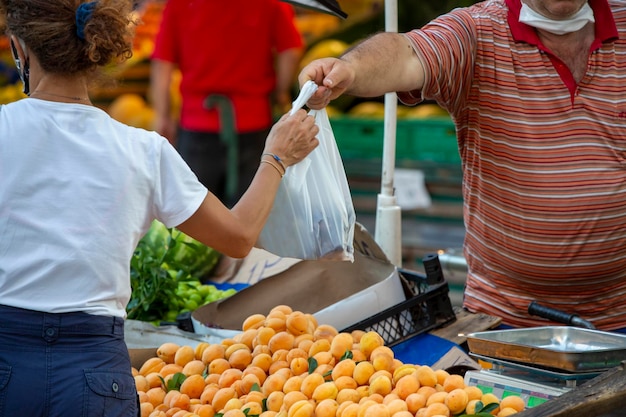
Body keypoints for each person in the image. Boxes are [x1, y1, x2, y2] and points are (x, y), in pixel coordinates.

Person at [0, 0, 318, 415]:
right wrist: (275, 157)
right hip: (96, 374)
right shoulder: (142, 150)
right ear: (94, 49)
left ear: (19, 49)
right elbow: (239, 238)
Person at [299, 0, 626, 331]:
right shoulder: (476, 31)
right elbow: (407, 53)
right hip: (504, 318)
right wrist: (350, 68)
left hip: (620, 313)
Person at [150, 0, 304, 205]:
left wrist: (163, 115)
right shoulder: (272, 3)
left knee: (194, 219)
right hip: (254, 123)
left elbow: (162, 64)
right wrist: (280, 92)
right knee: (251, 217)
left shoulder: (180, 4)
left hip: (197, 125)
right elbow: (291, 51)